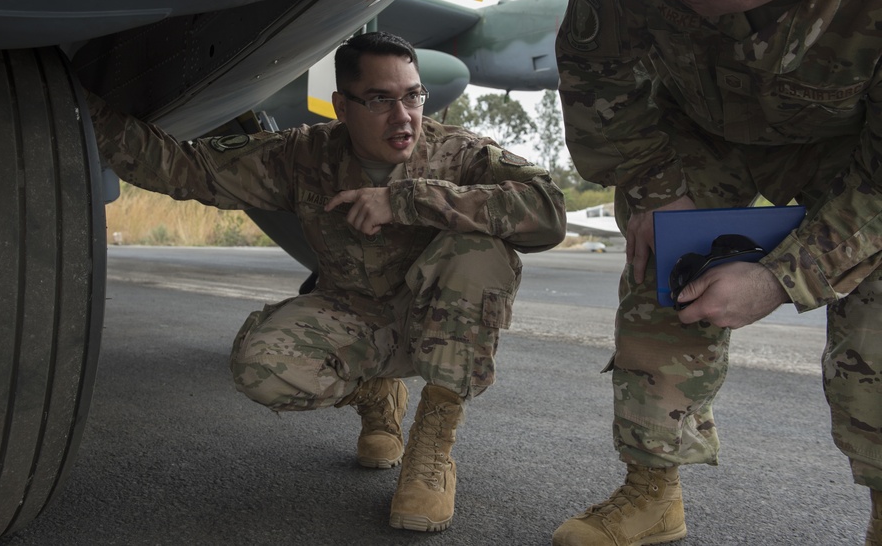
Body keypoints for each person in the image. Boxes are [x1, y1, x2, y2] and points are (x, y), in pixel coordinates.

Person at [86, 31, 567, 532]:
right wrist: (85, 113)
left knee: (481, 250)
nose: (403, 116)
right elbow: (185, 168)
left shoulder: (459, 153)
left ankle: (432, 451)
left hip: (435, 318)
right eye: (380, 99)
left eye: (413, 95)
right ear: (341, 105)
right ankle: (375, 393)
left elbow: (549, 210)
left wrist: (408, 199)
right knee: (261, 368)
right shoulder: (302, 156)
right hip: (354, 317)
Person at [554, 0, 882, 544]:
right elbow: (596, 64)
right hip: (696, 125)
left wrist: (778, 278)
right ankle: (652, 496)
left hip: (849, 150)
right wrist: (654, 186)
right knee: (665, 260)